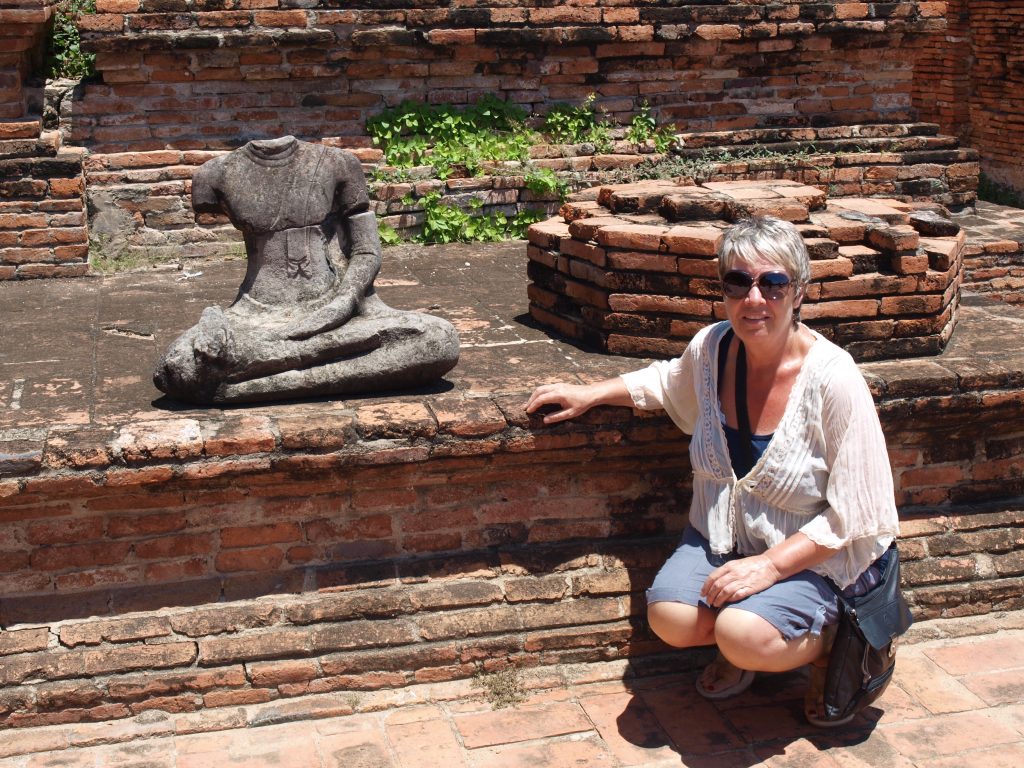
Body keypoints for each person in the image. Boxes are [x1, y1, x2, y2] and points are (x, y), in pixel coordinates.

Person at [525, 216, 899, 726]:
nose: (754, 299)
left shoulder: (834, 379)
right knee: (670, 618)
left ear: (799, 292)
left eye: (773, 283)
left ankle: (836, 647)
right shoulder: (712, 348)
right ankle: (751, 624)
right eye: (738, 282)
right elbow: (666, 384)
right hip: (725, 536)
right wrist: (591, 393)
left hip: (817, 558)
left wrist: (768, 568)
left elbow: (860, 513)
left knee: (742, 636)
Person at [154, 135, 459, 404]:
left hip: (338, 307)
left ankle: (245, 381)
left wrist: (344, 301)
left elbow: (366, 249)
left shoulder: (340, 163)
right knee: (178, 365)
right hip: (254, 315)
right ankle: (269, 366)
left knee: (438, 340)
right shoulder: (216, 174)